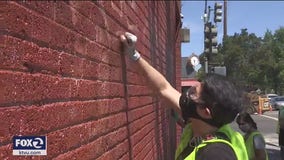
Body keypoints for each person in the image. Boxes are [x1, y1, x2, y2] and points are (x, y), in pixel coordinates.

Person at [120, 32, 248, 160]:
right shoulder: (204, 122)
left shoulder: (216, 155)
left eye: (193, 93)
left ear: (205, 111)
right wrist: (134, 55)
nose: (186, 95)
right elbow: (164, 88)